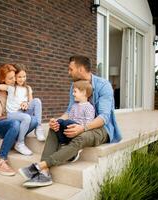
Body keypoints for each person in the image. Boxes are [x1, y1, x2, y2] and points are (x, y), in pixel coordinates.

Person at [18, 55, 122, 187]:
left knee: (82, 137)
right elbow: (69, 111)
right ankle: (45, 174)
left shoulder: (103, 86)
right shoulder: (75, 86)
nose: (68, 72)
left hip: (101, 128)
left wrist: (82, 128)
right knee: (55, 127)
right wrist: (57, 121)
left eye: (70, 69)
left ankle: (40, 166)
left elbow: (104, 117)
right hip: (79, 124)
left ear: (80, 69)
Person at [0, 64, 38, 176]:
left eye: (14, 77)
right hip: (0, 123)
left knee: (34, 121)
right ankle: (1, 160)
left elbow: (27, 105)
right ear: (2, 79)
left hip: (16, 120)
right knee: (15, 124)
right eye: (10, 78)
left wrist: (26, 103)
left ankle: (10, 140)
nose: (13, 80)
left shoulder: (19, 88)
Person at [0, 65, 45, 156]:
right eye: (19, 77)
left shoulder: (28, 88)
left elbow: (31, 101)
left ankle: (38, 128)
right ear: (15, 78)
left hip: (22, 112)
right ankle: (20, 143)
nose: (21, 79)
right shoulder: (11, 87)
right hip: (12, 114)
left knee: (37, 101)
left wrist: (26, 103)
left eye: (24, 76)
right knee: (27, 118)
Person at [56, 80, 95, 148]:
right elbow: (70, 117)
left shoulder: (89, 107)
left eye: (75, 91)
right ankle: (63, 142)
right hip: (71, 127)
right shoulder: (74, 106)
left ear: (83, 93)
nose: (73, 94)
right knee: (58, 122)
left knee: (66, 122)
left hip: (80, 130)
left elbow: (89, 122)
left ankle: (69, 142)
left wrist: (80, 128)